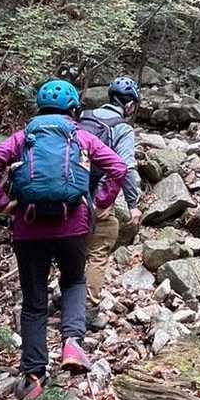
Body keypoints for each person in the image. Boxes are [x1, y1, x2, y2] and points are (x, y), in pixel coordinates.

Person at [0, 79, 127, 400]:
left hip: (29, 228)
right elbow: (118, 167)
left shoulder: (23, 138)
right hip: (73, 225)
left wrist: (3, 204)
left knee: (34, 303)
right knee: (73, 281)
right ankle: (72, 342)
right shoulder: (80, 136)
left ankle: (33, 376)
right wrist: (100, 201)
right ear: (74, 110)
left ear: (40, 109)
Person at [79, 75, 143, 305]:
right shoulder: (122, 128)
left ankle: (62, 295)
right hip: (99, 195)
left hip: (71, 190)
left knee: (70, 245)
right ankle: (88, 305)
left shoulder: (84, 117)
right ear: (130, 105)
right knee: (99, 249)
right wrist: (133, 204)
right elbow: (126, 167)